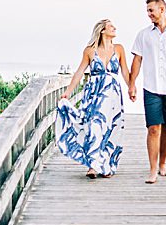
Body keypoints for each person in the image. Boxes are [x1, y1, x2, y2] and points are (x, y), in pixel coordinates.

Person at [55, 19, 129, 178]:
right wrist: (68, 92)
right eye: (111, 26)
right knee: (93, 127)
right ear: (102, 30)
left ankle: (106, 164)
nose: (115, 28)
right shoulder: (89, 51)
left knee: (111, 128)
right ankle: (92, 166)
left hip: (114, 96)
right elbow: (79, 72)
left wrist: (132, 88)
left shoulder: (119, 49)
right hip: (95, 95)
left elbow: (125, 72)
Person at [127, 0, 166, 184]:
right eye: (147, 10)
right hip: (151, 88)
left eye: (151, 10)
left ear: (162, 9)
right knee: (153, 128)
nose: (148, 14)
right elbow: (137, 60)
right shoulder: (143, 35)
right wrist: (132, 84)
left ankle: (163, 163)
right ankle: (153, 169)